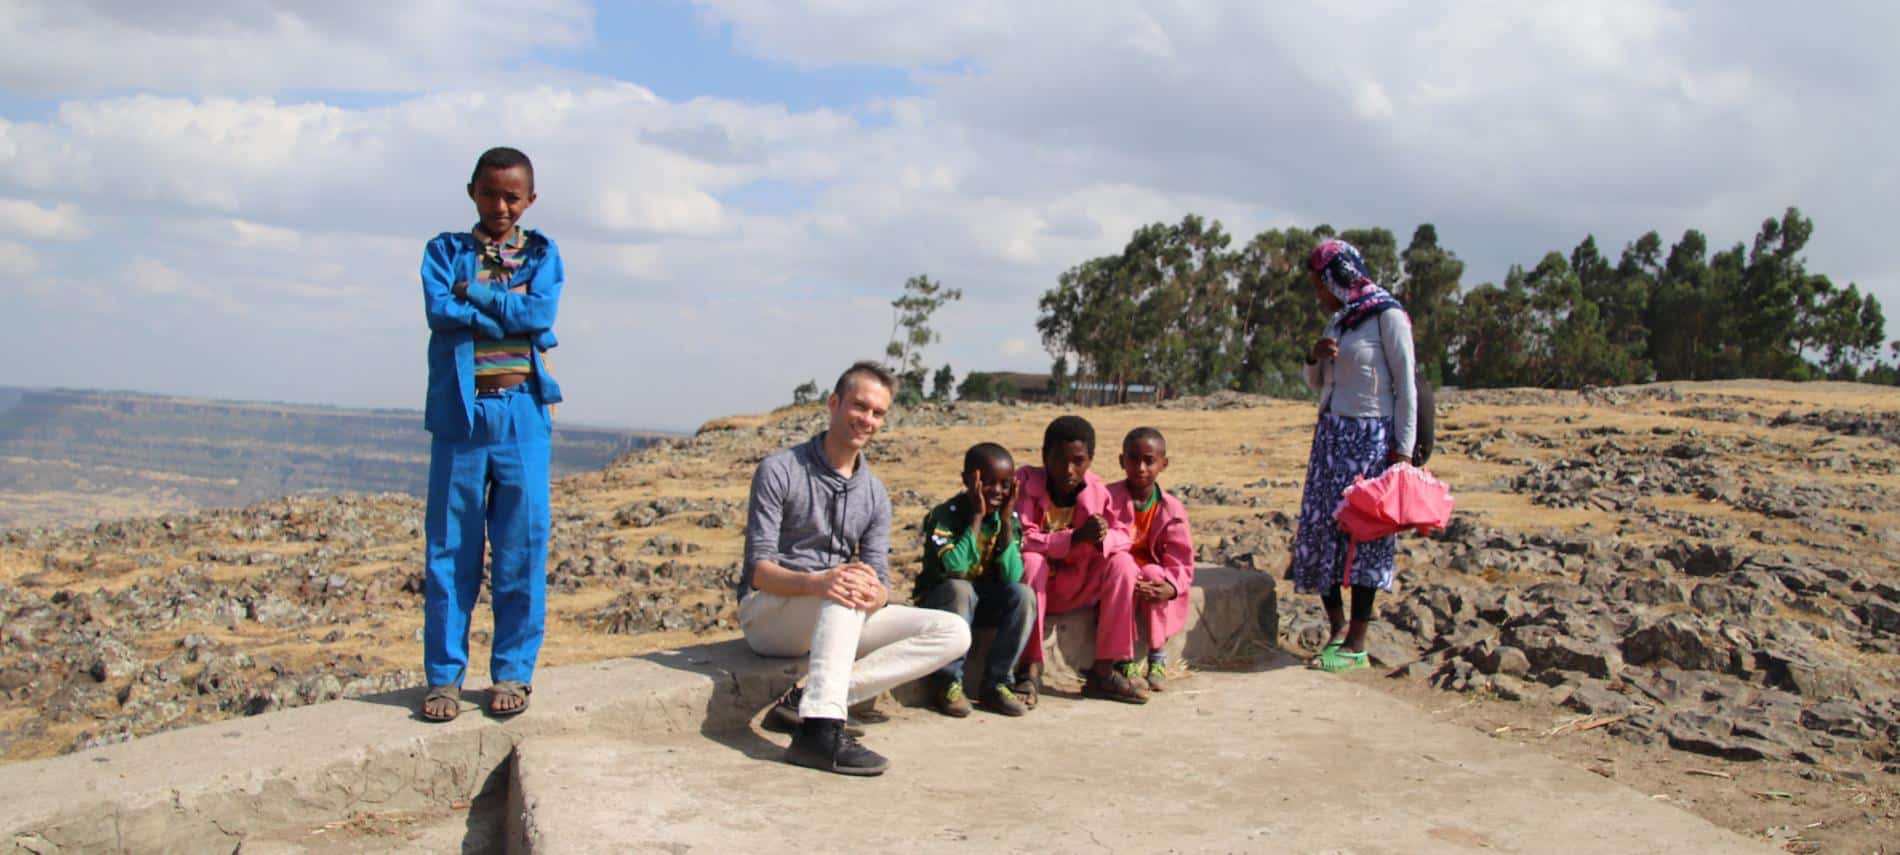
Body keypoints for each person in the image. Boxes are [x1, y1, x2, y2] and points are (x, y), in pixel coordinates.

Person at [739, 362, 970, 776]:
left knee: (953, 631)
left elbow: (880, 577)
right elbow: (758, 571)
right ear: (834, 403)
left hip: (835, 612)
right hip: (771, 613)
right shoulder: (780, 470)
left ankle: (810, 698)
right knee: (843, 589)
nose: (867, 419)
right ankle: (819, 734)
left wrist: (875, 593)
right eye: (859, 406)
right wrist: (821, 582)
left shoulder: (876, 495)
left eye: (878, 412)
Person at [418, 146, 564, 722]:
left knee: (521, 546)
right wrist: (507, 305)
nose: (500, 205)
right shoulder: (443, 252)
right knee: (450, 549)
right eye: (490, 193)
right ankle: (444, 679)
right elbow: (438, 308)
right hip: (462, 414)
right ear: (472, 191)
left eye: (512, 196)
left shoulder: (543, 253)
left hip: (522, 414)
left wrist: (473, 294)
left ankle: (512, 672)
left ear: (530, 199)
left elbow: (538, 316)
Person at [1291, 239, 1418, 673]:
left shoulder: (1388, 317)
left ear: (1337, 276)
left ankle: (1357, 644)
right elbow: (1317, 384)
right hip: (1331, 441)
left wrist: (1402, 452)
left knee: (1367, 536)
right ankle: (1336, 629)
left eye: (1319, 284)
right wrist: (1314, 356)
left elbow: (1407, 388)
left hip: (1373, 442)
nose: (1318, 294)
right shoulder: (1340, 320)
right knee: (1322, 531)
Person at [1016, 415, 1149, 704]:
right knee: (1031, 561)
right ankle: (1030, 668)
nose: (1068, 470)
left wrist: (1103, 537)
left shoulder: (1097, 492)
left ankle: (1104, 670)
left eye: (1078, 461)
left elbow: (1124, 535)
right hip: (1036, 588)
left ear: (1090, 459)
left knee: (1123, 564)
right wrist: (1073, 538)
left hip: (1078, 585)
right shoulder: (1025, 484)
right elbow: (1021, 539)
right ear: (1044, 456)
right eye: (1059, 460)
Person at [914, 442, 1036, 718]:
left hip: (982, 602)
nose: (996, 491)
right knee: (961, 588)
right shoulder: (946, 516)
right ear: (968, 480)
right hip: (942, 603)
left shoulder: (1008, 520)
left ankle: (997, 682)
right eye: (988, 483)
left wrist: (1005, 524)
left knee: (1024, 595)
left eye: (1004, 485)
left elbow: (1012, 575)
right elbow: (955, 568)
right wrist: (977, 518)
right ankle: (947, 682)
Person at [1105, 427, 1194, 692]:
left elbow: (1180, 557)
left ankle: (1157, 654)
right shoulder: (1109, 498)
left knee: (1156, 575)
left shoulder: (1171, 508)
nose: (1141, 467)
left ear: (1163, 464)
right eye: (1133, 459)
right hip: (1117, 574)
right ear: (1122, 461)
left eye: (1149, 460)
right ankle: (1124, 658)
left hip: (1150, 575)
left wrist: (1172, 586)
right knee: (1125, 569)